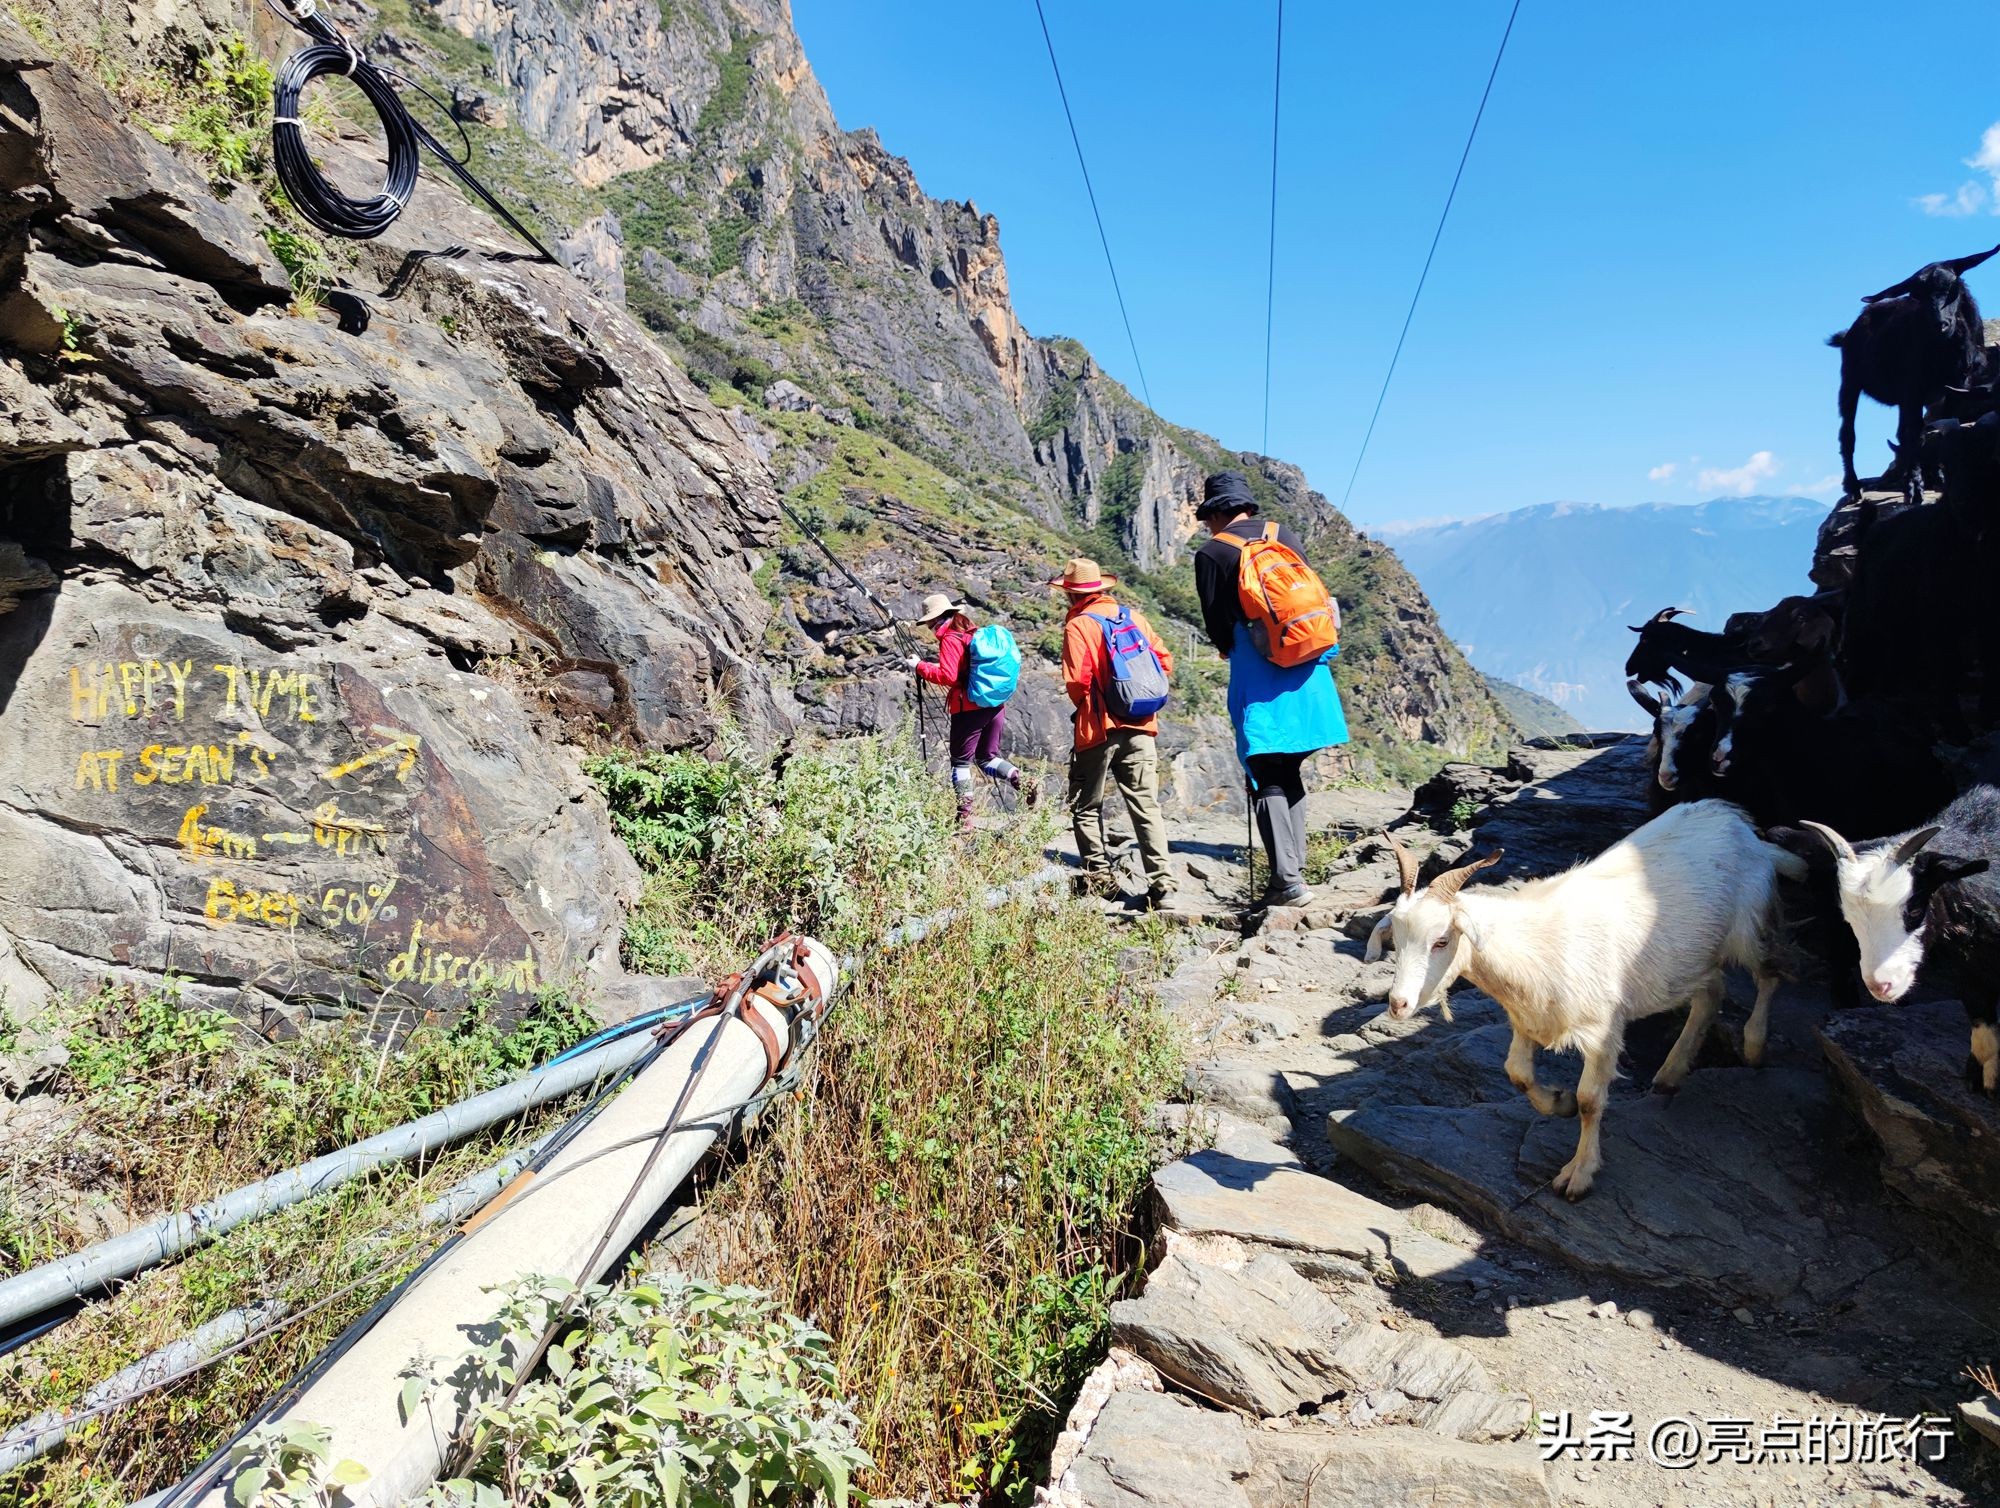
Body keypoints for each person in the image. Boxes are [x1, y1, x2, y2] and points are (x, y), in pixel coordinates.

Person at [1192, 471, 1348, 908]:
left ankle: (1287, 882)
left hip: (1259, 673)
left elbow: (1218, 628)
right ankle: (1293, 871)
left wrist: (1231, 646)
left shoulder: (1213, 552)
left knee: (1264, 771)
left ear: (1218, 511)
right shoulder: (1284, 535)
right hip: (1307, 668)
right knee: (1289, 768)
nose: (1207, 526)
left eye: (1208, 517)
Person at [1051, 557, 1176, 908]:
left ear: (1072, 594)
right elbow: (1164, 662)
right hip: (1141, 725)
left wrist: (1094, 704)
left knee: (1086, 806)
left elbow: (1077, 681)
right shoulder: (1133, 617)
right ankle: (1162, 884)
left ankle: (1102, 880)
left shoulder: (1078, 625)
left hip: (1098, 728)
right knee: (1145, 804)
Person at [905, 592, 1035, 830]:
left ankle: (964, 819)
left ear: (936, 620)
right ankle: (1022, 780)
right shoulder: (971, 633)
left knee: (960, 763)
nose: (930, 630)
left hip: (969, 708)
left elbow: (949, 676)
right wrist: (932, 666)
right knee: (987, 758)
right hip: (994, 705)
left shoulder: (950, 638)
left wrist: (920, 667)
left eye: (929, 624)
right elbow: (962, 669)